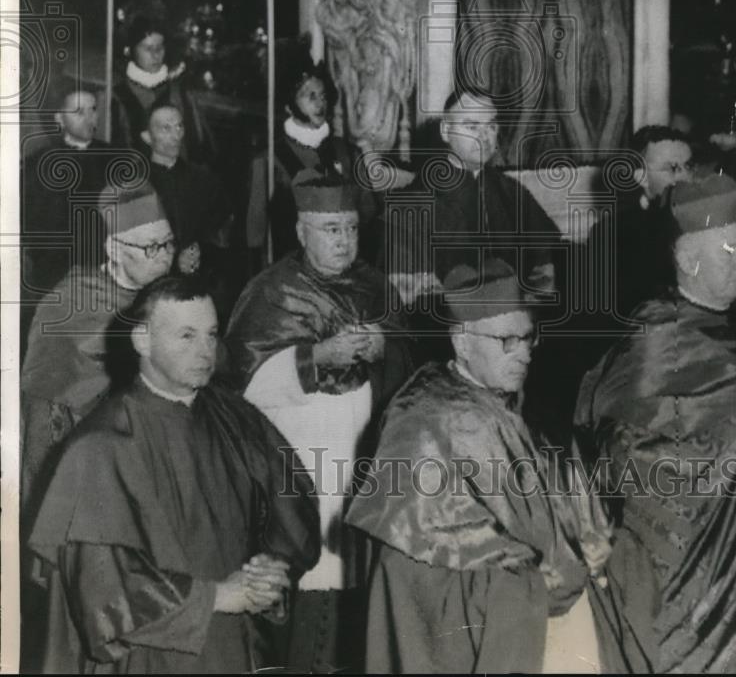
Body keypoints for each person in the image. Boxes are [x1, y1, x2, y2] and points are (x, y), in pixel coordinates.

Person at [26, 275, 321, 674]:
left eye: (211, 335)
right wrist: (215, 596)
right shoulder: (97, 447)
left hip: (234, 643)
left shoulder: (238, 419)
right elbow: (103, 589)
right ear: (142, 341)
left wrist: (272, 568)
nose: (205, 351)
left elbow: (290, 509)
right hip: (147, 654)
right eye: (186, 336)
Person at [346, 261, 610, 674]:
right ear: (462, 343)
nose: (523, 352)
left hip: (544, 617)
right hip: (481, 632)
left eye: (528, 337)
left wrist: (587, 543)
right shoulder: (424, 420)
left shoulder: (526, 410)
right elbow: (411, 574)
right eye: (506, 340)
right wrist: (536, 582)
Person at [226, 173, 414, 673]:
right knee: (309, 581)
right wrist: (316, 357)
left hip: (364, 446)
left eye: (350, 228)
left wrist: (384, 351)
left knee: (358, 577)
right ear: (300, 230)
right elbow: (243, 384)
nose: (343, 240)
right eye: (330, 229)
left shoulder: (376, 285)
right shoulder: (271, 291)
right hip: (299, 449)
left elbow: (412, 364)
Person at [576, 172, 736, 673]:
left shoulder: (721, 324)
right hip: (683, 567)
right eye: (729, 249)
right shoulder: (656, 340)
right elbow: (628, 457)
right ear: (688, 260)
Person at [21, 180, 175, 519]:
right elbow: (44, 418)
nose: (164, 257)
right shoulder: (69, 307)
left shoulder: (172, 297)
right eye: (151, 248)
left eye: (168, 244)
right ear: (115, 250)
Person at [388, 90, 559, 303]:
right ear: (445, 131)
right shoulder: (413, 203)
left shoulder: (512, 192)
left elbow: (543, 269)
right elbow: (409, 292)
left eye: (491, 126)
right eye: (472, 126)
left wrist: (526, 315)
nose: (484, 137)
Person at [246, 57, 375, 264]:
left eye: (323, 96)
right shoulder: (268, 161)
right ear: (289, 105)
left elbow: (368, 215)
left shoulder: (349, 153)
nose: (320, 103)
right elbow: (255, 236)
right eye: (310, 96)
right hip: (292, 275)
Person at [586, 124, 693, 322]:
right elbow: (626, 313)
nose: (686, 177)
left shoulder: (707, 220)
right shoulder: (615, 233)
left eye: (688, 166)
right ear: (641, 177)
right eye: (672, 168)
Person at [21, 80, 110, 305]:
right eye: (79, 112)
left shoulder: (112, 158)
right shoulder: (39, 164)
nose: (90, 118)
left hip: (105, 271)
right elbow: (30, 224)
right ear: (59, 118)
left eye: (93, 110)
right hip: (55, 276)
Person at [143, 104, 234, 304]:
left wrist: (199, 250)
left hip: (198, 285)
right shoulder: (136, 183)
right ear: (147, 137)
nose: (176, 135)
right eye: (165, 129)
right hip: (149, 291)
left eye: (179, 127)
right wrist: (174, 259)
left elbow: (222, 229)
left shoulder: (203, 178)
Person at [112, 0, 213, 163]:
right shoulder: (116, 98)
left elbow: (201, 151)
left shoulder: (181, 95)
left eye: (160, 48)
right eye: (148, 48)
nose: (156, 55)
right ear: (131, 50)